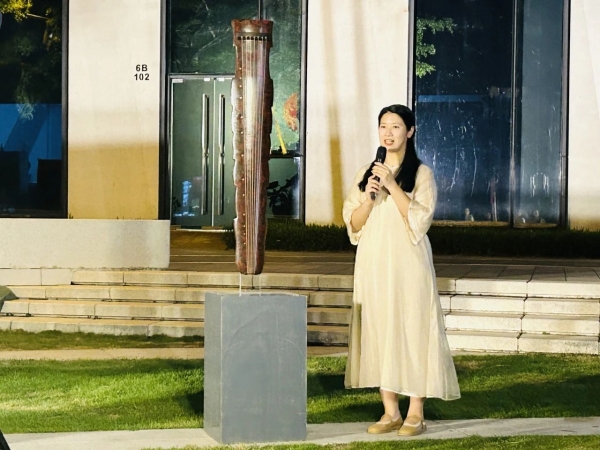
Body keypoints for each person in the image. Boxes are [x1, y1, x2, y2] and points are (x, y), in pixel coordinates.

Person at [342, 104, 460, 437]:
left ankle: (415, 413)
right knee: (380, 329)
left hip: (409, 262)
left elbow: (420, 220)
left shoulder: (421, 174)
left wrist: (393, 186)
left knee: (412, 329)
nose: (388, 133)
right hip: (373, 261)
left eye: (395, 126)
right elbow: (353, 223)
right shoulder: (366, 173)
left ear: (409, 131)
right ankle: (390, 411)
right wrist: (369, 197)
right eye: (383, 126)